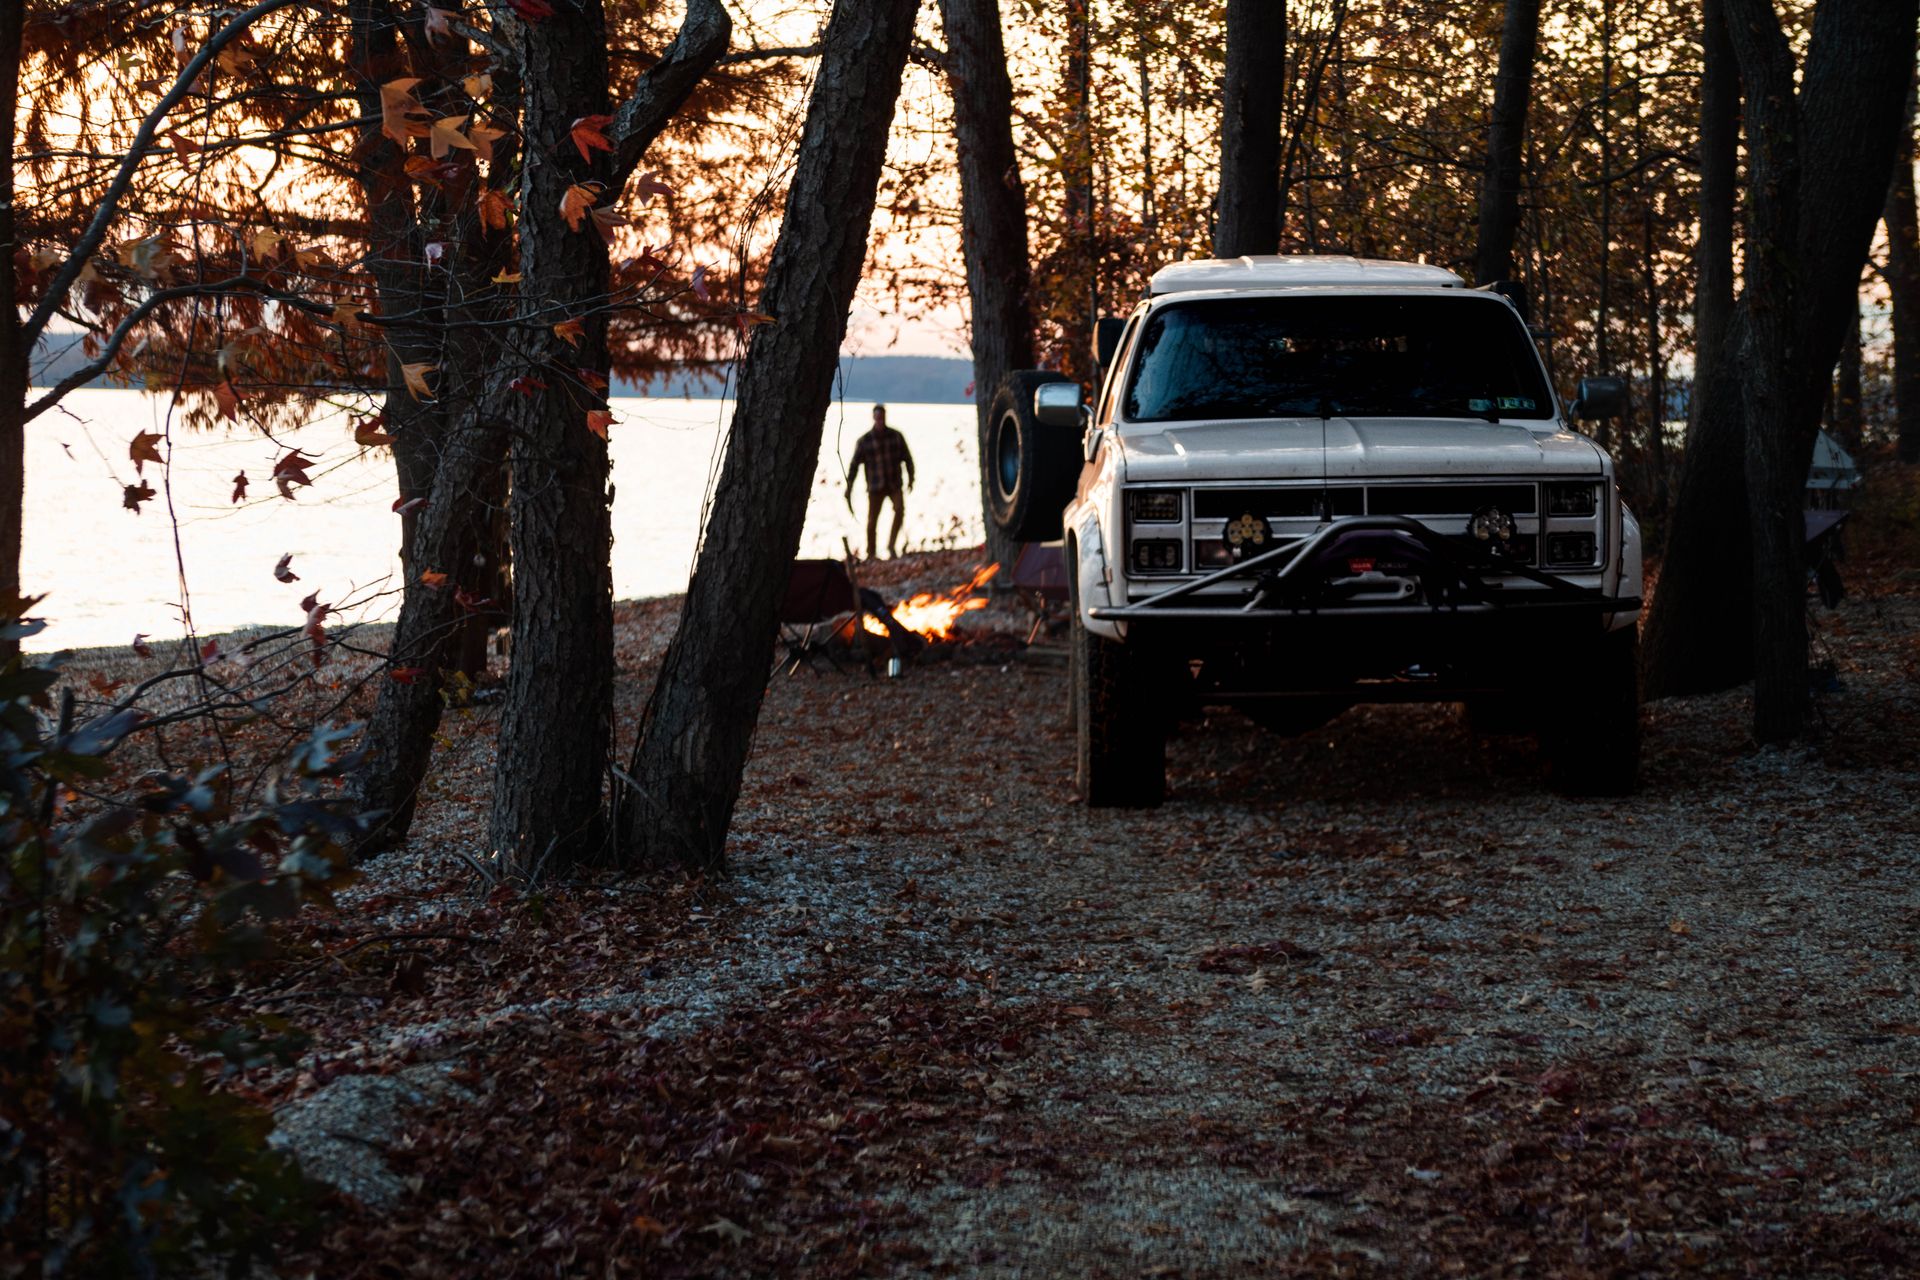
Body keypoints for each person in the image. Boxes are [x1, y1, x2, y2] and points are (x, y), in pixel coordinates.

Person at [844, 404, 915, 559]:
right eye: (877, 417)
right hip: (875, 487)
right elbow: (854, 465)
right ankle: (871, 553)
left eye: (882, 417)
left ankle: (891, 545)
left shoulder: (896, 436)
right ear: (874, 418)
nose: (880, 420)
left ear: (885, 417)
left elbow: (908, 459)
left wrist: (911, 479)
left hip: (894, 484)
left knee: (900, 510)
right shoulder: (864, 441)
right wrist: (849, 487)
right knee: (872, 522)